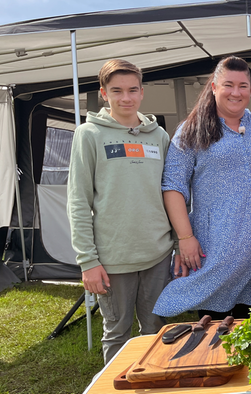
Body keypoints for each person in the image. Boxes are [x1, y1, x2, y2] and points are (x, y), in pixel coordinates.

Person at [152, 56, 251, 320]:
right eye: (228, 85)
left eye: (243, 86)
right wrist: (185, 238)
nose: (236, 92)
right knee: (213, 323)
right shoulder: (192, 129)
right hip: (217, 244)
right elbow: (173, 186)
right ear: (213, 87)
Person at [67, 59, 173, 363]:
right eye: (117, 91)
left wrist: (177, 244)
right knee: (117, 332)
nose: (125, 98)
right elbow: (78, 201)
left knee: (155, 329)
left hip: (158, 253)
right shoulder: (89, 135)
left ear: (142, 92)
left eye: (132, 90)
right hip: (113, 258)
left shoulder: (159, 136)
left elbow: (171, 194)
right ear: (103, 93)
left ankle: (151, 382)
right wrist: (88, 261)